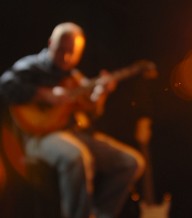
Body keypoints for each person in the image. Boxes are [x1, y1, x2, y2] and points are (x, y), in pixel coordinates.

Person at [0, 22, 145, 218]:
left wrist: (101, 94)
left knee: (131, 162)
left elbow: (92, 111)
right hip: (39, 137)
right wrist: (44, 95)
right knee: (76, 155)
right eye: (62, 50)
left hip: (75, 134)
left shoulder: (76, 78)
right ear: (51, 43)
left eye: (72, 52)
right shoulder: (32, 66)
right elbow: (5, 85)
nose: (66, 57)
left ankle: (101, 215)